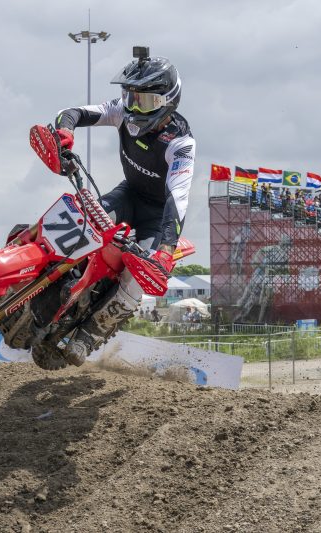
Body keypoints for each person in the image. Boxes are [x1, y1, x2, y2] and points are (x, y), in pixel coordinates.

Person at [52, 46, 196, 367]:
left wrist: (166, 250)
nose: (133, 106)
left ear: (166, 101)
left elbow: (178, 197)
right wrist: (64, 135)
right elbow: (73, 112)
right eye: (130, 97)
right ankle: (53, 278)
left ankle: (89, 335)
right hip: (128, 195)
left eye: (143, 101)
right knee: (82, 219)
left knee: (137, 275)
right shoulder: (121, 110)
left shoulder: (181, 142)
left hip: (156, 218)